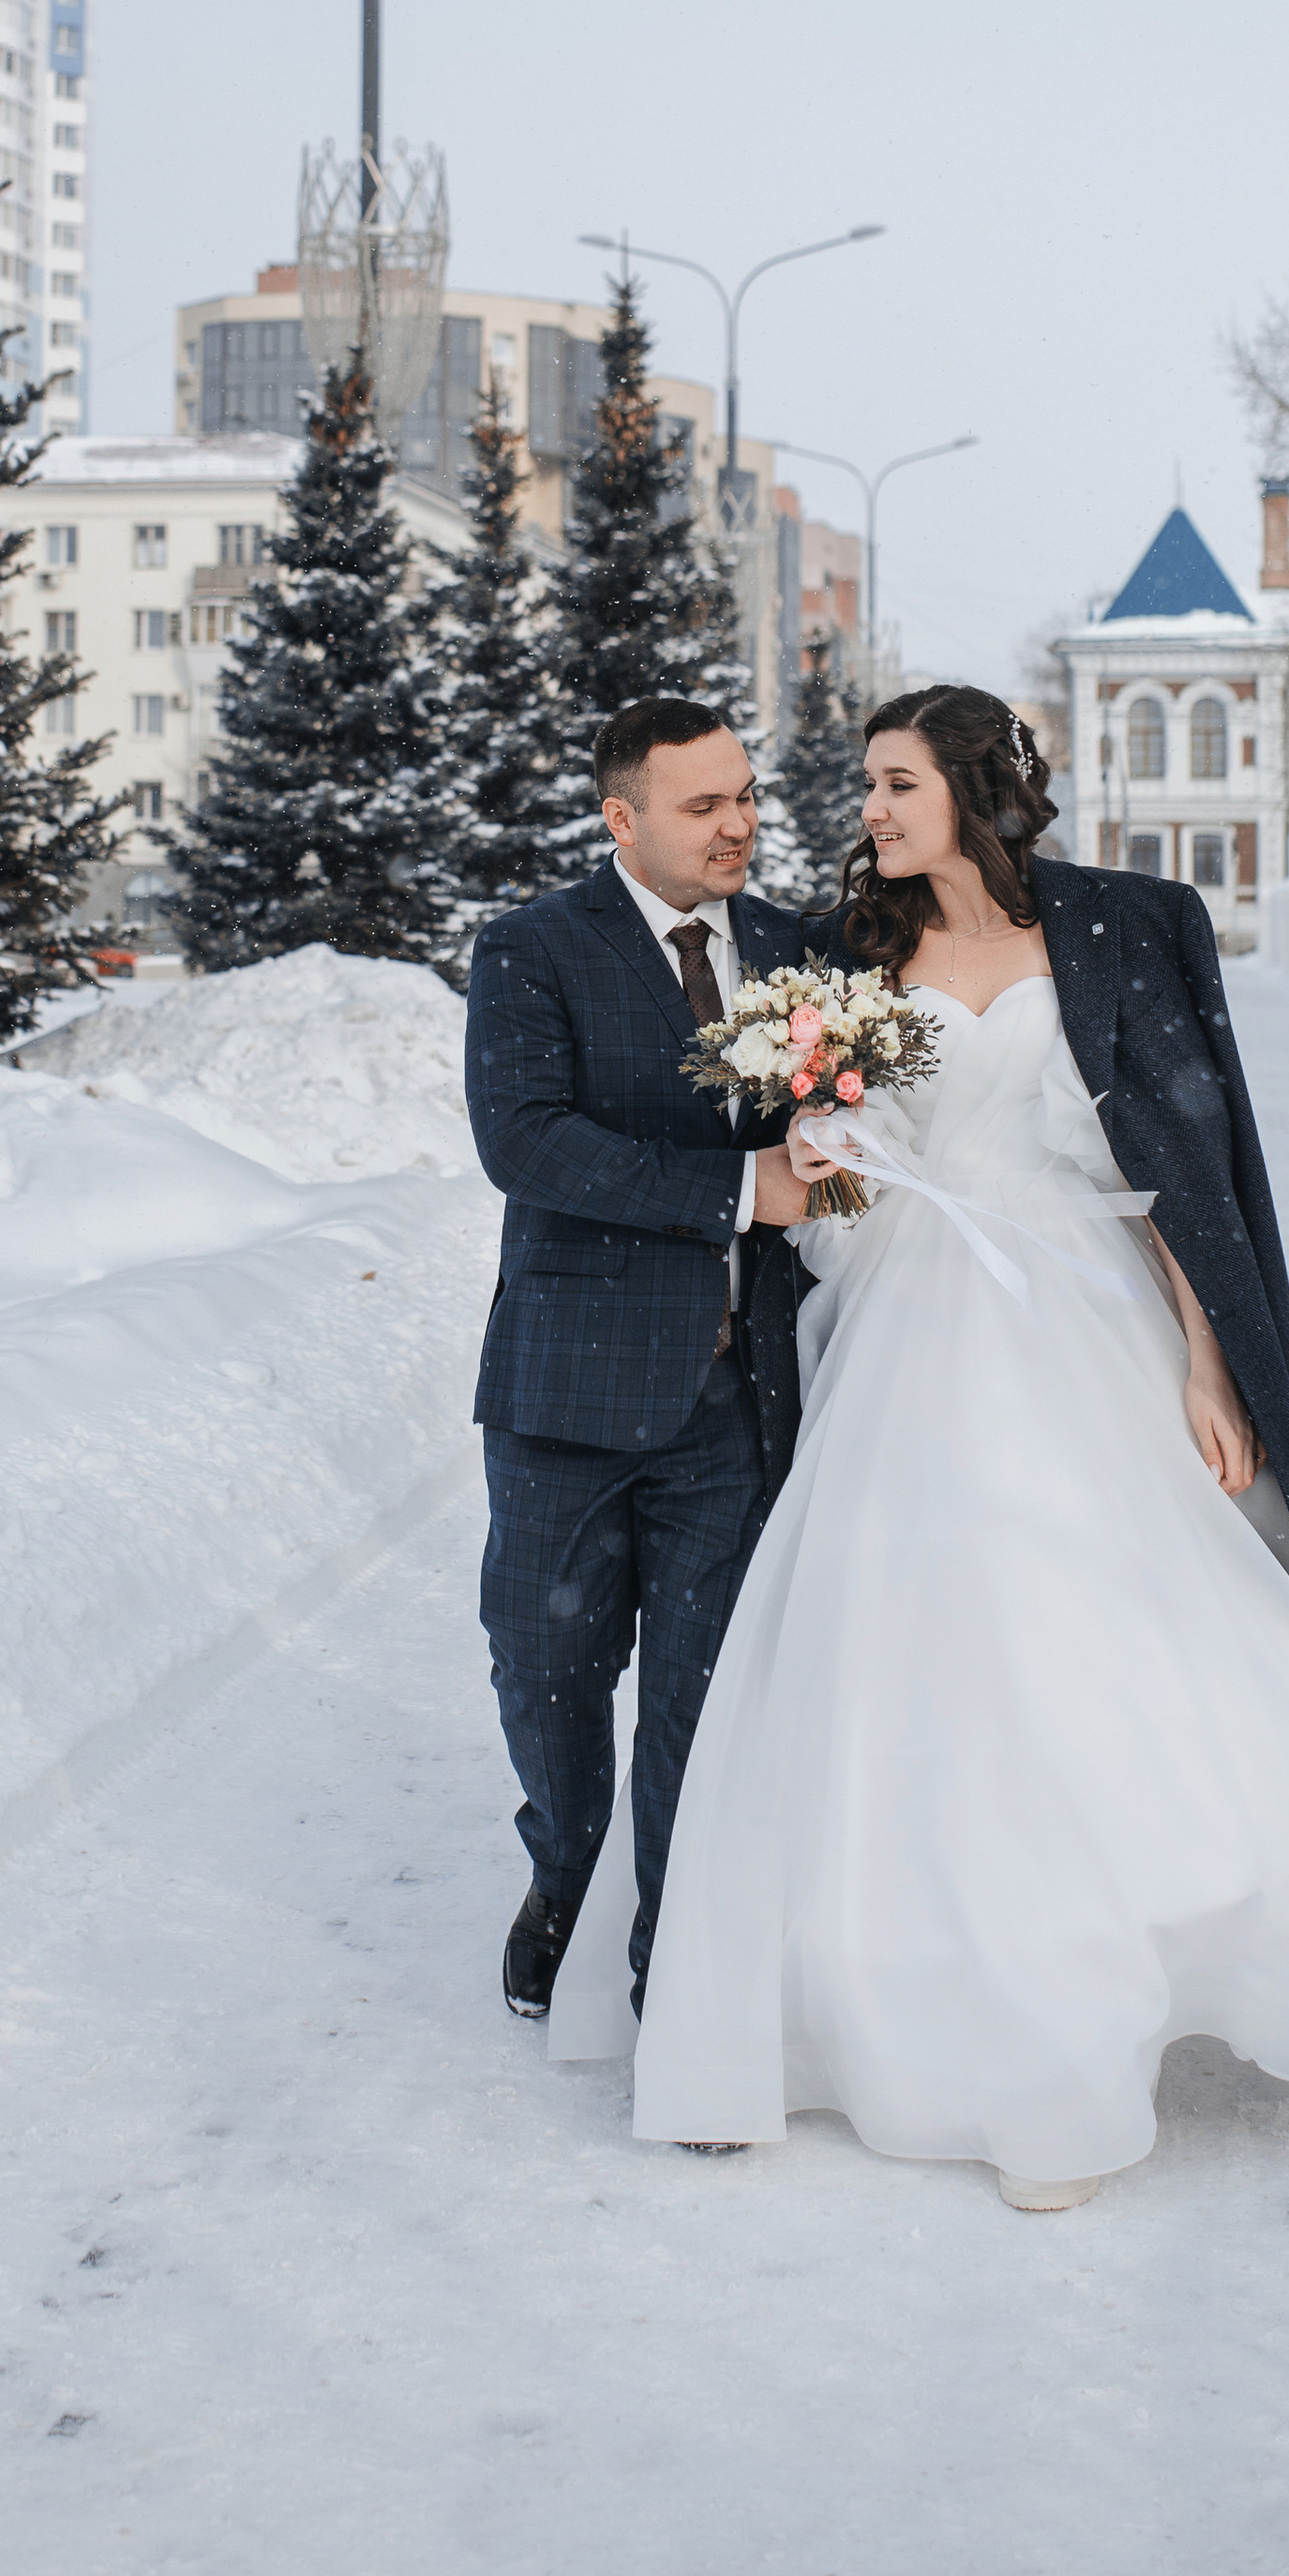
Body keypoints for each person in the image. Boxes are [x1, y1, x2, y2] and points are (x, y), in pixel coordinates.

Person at [550, 684, 1289, 2206]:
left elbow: (1181, 1157)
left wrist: (1210, 1362)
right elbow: (832, 1170)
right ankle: (977, 2021)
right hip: (914, 1320)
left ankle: (1167, 1957)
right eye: (868, 785)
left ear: (974, 788)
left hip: (1088, 1307)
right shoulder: (850, 953)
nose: (869, 809)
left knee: (1135, 1634)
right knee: (933, 1651)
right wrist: (828, 1154)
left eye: (898, 782)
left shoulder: (1120, 926)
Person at [463, 695, 816, 2020]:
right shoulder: (532, 949)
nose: (739, 825)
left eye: (745, 795)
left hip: (739, 1393)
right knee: (548, 1669)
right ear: (623, 818)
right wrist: (736, 1190)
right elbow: (526, 1141)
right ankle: (565, 1873)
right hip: (569, 1386)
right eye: (703, 805)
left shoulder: (794, 951)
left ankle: (672, 1957)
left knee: (698, 1691)